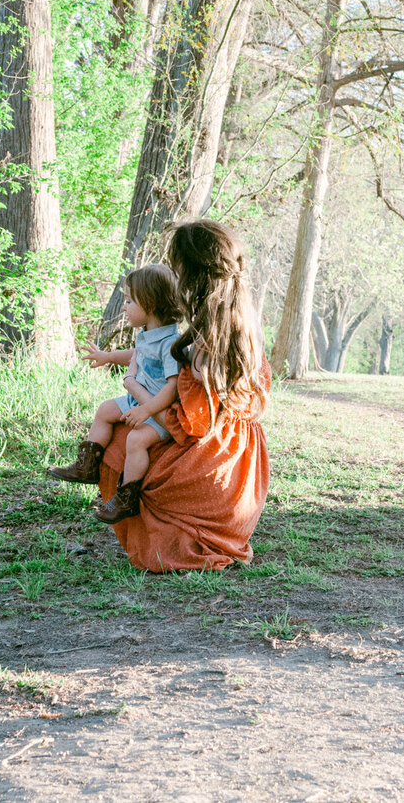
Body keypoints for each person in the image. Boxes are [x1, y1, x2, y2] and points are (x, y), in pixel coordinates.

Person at [96, 219, 271, 572]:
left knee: (121, 438)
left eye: (177, 269)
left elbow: (185, 426)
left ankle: (178, 527)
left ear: (193, 275)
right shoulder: (241, 321)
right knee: (129, 430)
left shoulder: (210, 342)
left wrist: (136, 389)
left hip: (215, 473)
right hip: (240, 466)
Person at [48, 264, 182, 519]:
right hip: (137, 400)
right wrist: (108, 356)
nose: (124, 306)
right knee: (105, 409)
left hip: (158, 410)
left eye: (130, 301)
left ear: (150, 303)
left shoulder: (170, 342)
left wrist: (147, 410)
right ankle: (87, 466)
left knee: (136, 440)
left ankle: (127, 497)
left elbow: (173, 385)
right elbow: (136, 354)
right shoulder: (147, 334)